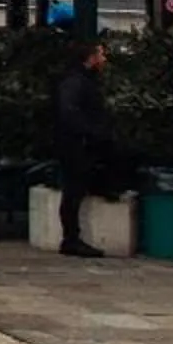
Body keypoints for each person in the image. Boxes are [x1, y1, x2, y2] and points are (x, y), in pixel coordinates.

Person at [50, 38, 115, 260]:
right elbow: (70, 113)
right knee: (73, 192)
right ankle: (71, 238)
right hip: (76, 144)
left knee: (75, 190)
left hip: (78, 142)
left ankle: (72, 238)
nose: (104, 59)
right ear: (91, 57)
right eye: (101, 54)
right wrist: (92, 132)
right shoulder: (77, 82)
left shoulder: (79, 80)